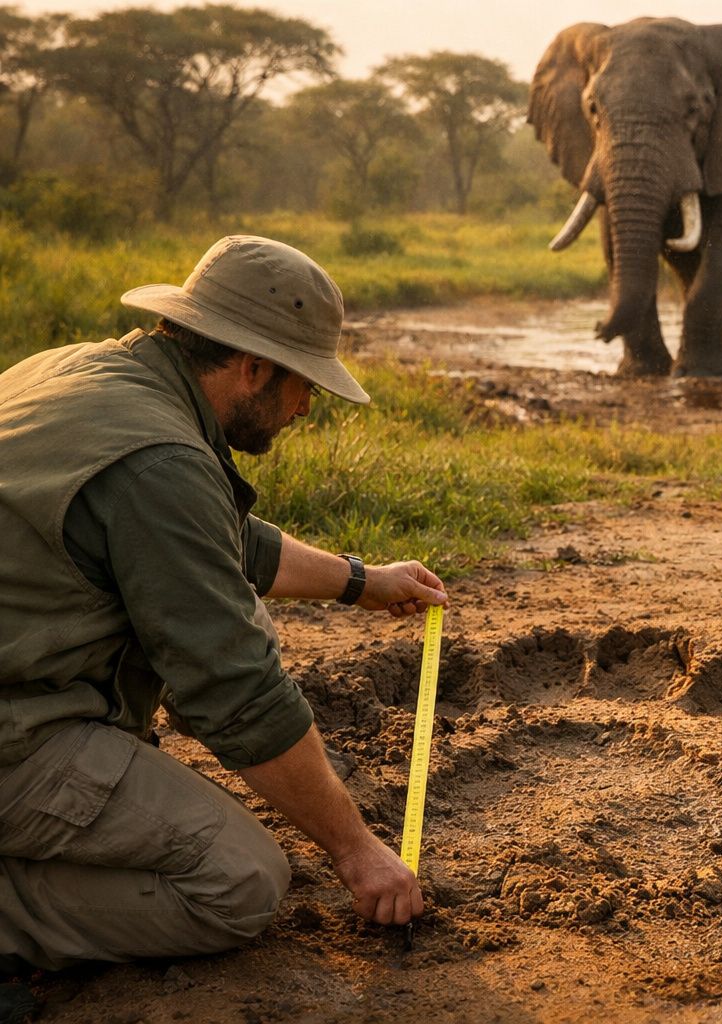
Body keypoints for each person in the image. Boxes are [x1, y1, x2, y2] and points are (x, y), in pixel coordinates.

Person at [0, 236, 448, 1018]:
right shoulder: (160, 462)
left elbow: (213, 538)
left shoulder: (88, 374)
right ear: (252, 367)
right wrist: (359, 853)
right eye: (303, 384)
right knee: (238, 881)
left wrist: (360, 582)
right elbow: (234, 695)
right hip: (17, 726)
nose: (308, 407)